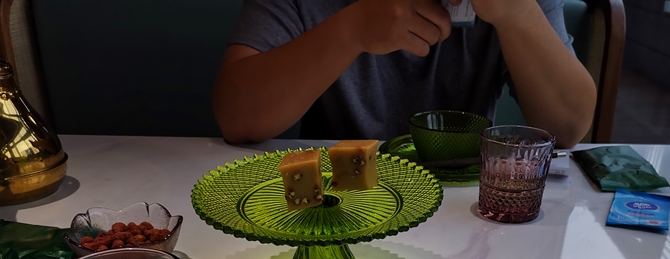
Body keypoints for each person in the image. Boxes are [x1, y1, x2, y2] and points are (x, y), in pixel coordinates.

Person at [213, 0, 597, 147]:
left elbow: (567, 128)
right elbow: (239, 119)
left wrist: (518, 13)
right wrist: (349, 30)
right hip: (335, 198)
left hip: (468, 207)